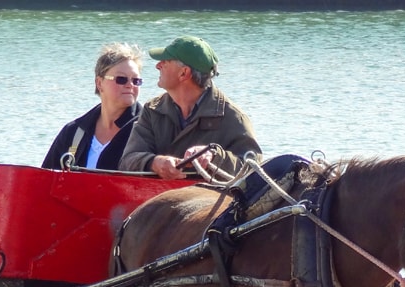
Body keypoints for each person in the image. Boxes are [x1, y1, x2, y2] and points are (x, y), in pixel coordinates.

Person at [119, 35, 261, 179]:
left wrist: (215, 157)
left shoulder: (233, 117)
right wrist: (154, 162)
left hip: (210, 200)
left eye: (165, 61)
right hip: (154, 199)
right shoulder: (152, 110)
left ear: (184, 73)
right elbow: (128, 160)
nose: (158, 65)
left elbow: (253, 169)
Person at [42, 42, 143, 171]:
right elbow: (44, 181)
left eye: (136, 81)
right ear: (99, 83)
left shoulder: (148, 130)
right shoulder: (73, 132)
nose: (130, 85)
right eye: (121, 79)